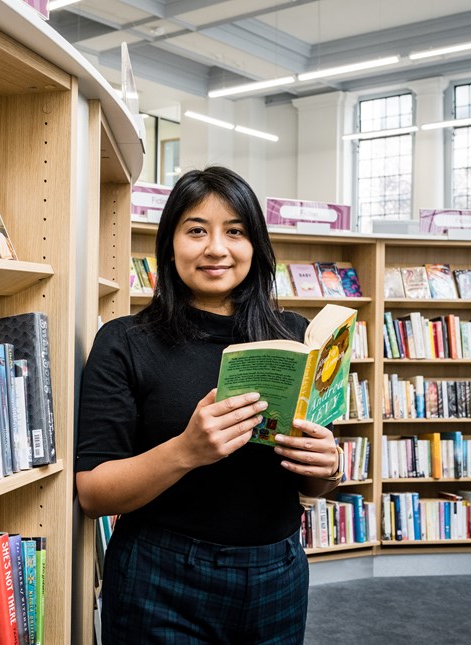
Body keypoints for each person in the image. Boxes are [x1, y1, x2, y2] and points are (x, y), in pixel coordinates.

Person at [75, 166, 344, 644]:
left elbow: (313, 485)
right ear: (170, 243)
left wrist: (327, 467)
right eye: (196, 230)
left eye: (235, 231)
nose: (216, 248)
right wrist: (187, 450)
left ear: (256, 246)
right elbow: (94, 494)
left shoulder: (298, 337)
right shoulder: (125, 342)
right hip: (160, 575)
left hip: (277, 570)